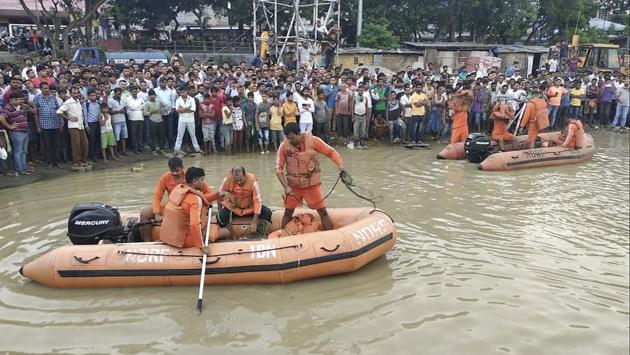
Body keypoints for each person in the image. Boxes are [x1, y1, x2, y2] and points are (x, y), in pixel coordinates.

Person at [275, 122, 345, 231]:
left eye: (292, 138)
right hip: (293, 187)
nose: (290, 141)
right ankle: (284, 237)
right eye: (288, 139)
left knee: (322, 211)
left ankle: (330, 235)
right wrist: (286, 187)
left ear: (299, 134)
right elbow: (278, 169)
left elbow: (330, 152)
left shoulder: (314, 141)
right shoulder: (284, 146)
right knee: (288, 212)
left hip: (311, 186)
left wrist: (340, 164)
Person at [140, 158, 218, 241]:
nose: (174, 173)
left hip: (188, 206)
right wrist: (157, 213)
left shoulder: (191, 174)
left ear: (182, 168)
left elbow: (206, 193)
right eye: (172, 171)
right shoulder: (165, 178)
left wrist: (207, 206)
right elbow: (157, 196)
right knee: (145, 213)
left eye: (177, 171)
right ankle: (147, 241)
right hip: (173, 206)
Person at [159, 167, 218, 249]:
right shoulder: (195, 199)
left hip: (171, 237)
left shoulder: (179, 189)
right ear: (195, 181)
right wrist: (201, 246)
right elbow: (194, 224)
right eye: (202, 179)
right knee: (222, 231)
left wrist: (216, 195)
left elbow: (203, 198)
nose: (203, 183)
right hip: (185, 240)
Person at [217, 166, 272, 236]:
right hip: (234, 208)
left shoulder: (253, 182)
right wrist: (219, 211)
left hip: (250, 208)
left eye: (241, 180)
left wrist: (254, 223)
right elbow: (219, 195)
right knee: (220, 216)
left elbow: (257, 201)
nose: (238, 182)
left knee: (267, 213)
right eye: (236, 180)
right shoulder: (226, 180)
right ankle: (231, 235)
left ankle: (260, 233)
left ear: (245, 175)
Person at [56, 87, 89, 167]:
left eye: (77, 93)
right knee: (76, 144)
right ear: (70, 94)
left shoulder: (77, 101)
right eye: (74, 93)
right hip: (73, 126)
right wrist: (68, 118)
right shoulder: (68, 102)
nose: (76, 94)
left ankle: (83, 160)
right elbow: (58, 111)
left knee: (85, 143)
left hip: (81, 125)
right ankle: (77, 161)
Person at [174, 86, 204, 156]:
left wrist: (183, 109)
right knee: (179, 135)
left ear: (186, 92)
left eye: (183, 92)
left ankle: (197, 149)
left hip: (190, 120)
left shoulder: (191, 99)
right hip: (181, 120)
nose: (182, 93)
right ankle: (176, 149)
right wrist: (187, 108)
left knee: (193, 135)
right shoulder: (178, 100)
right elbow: (177, 110)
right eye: (181, 92)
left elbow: (193, 109)